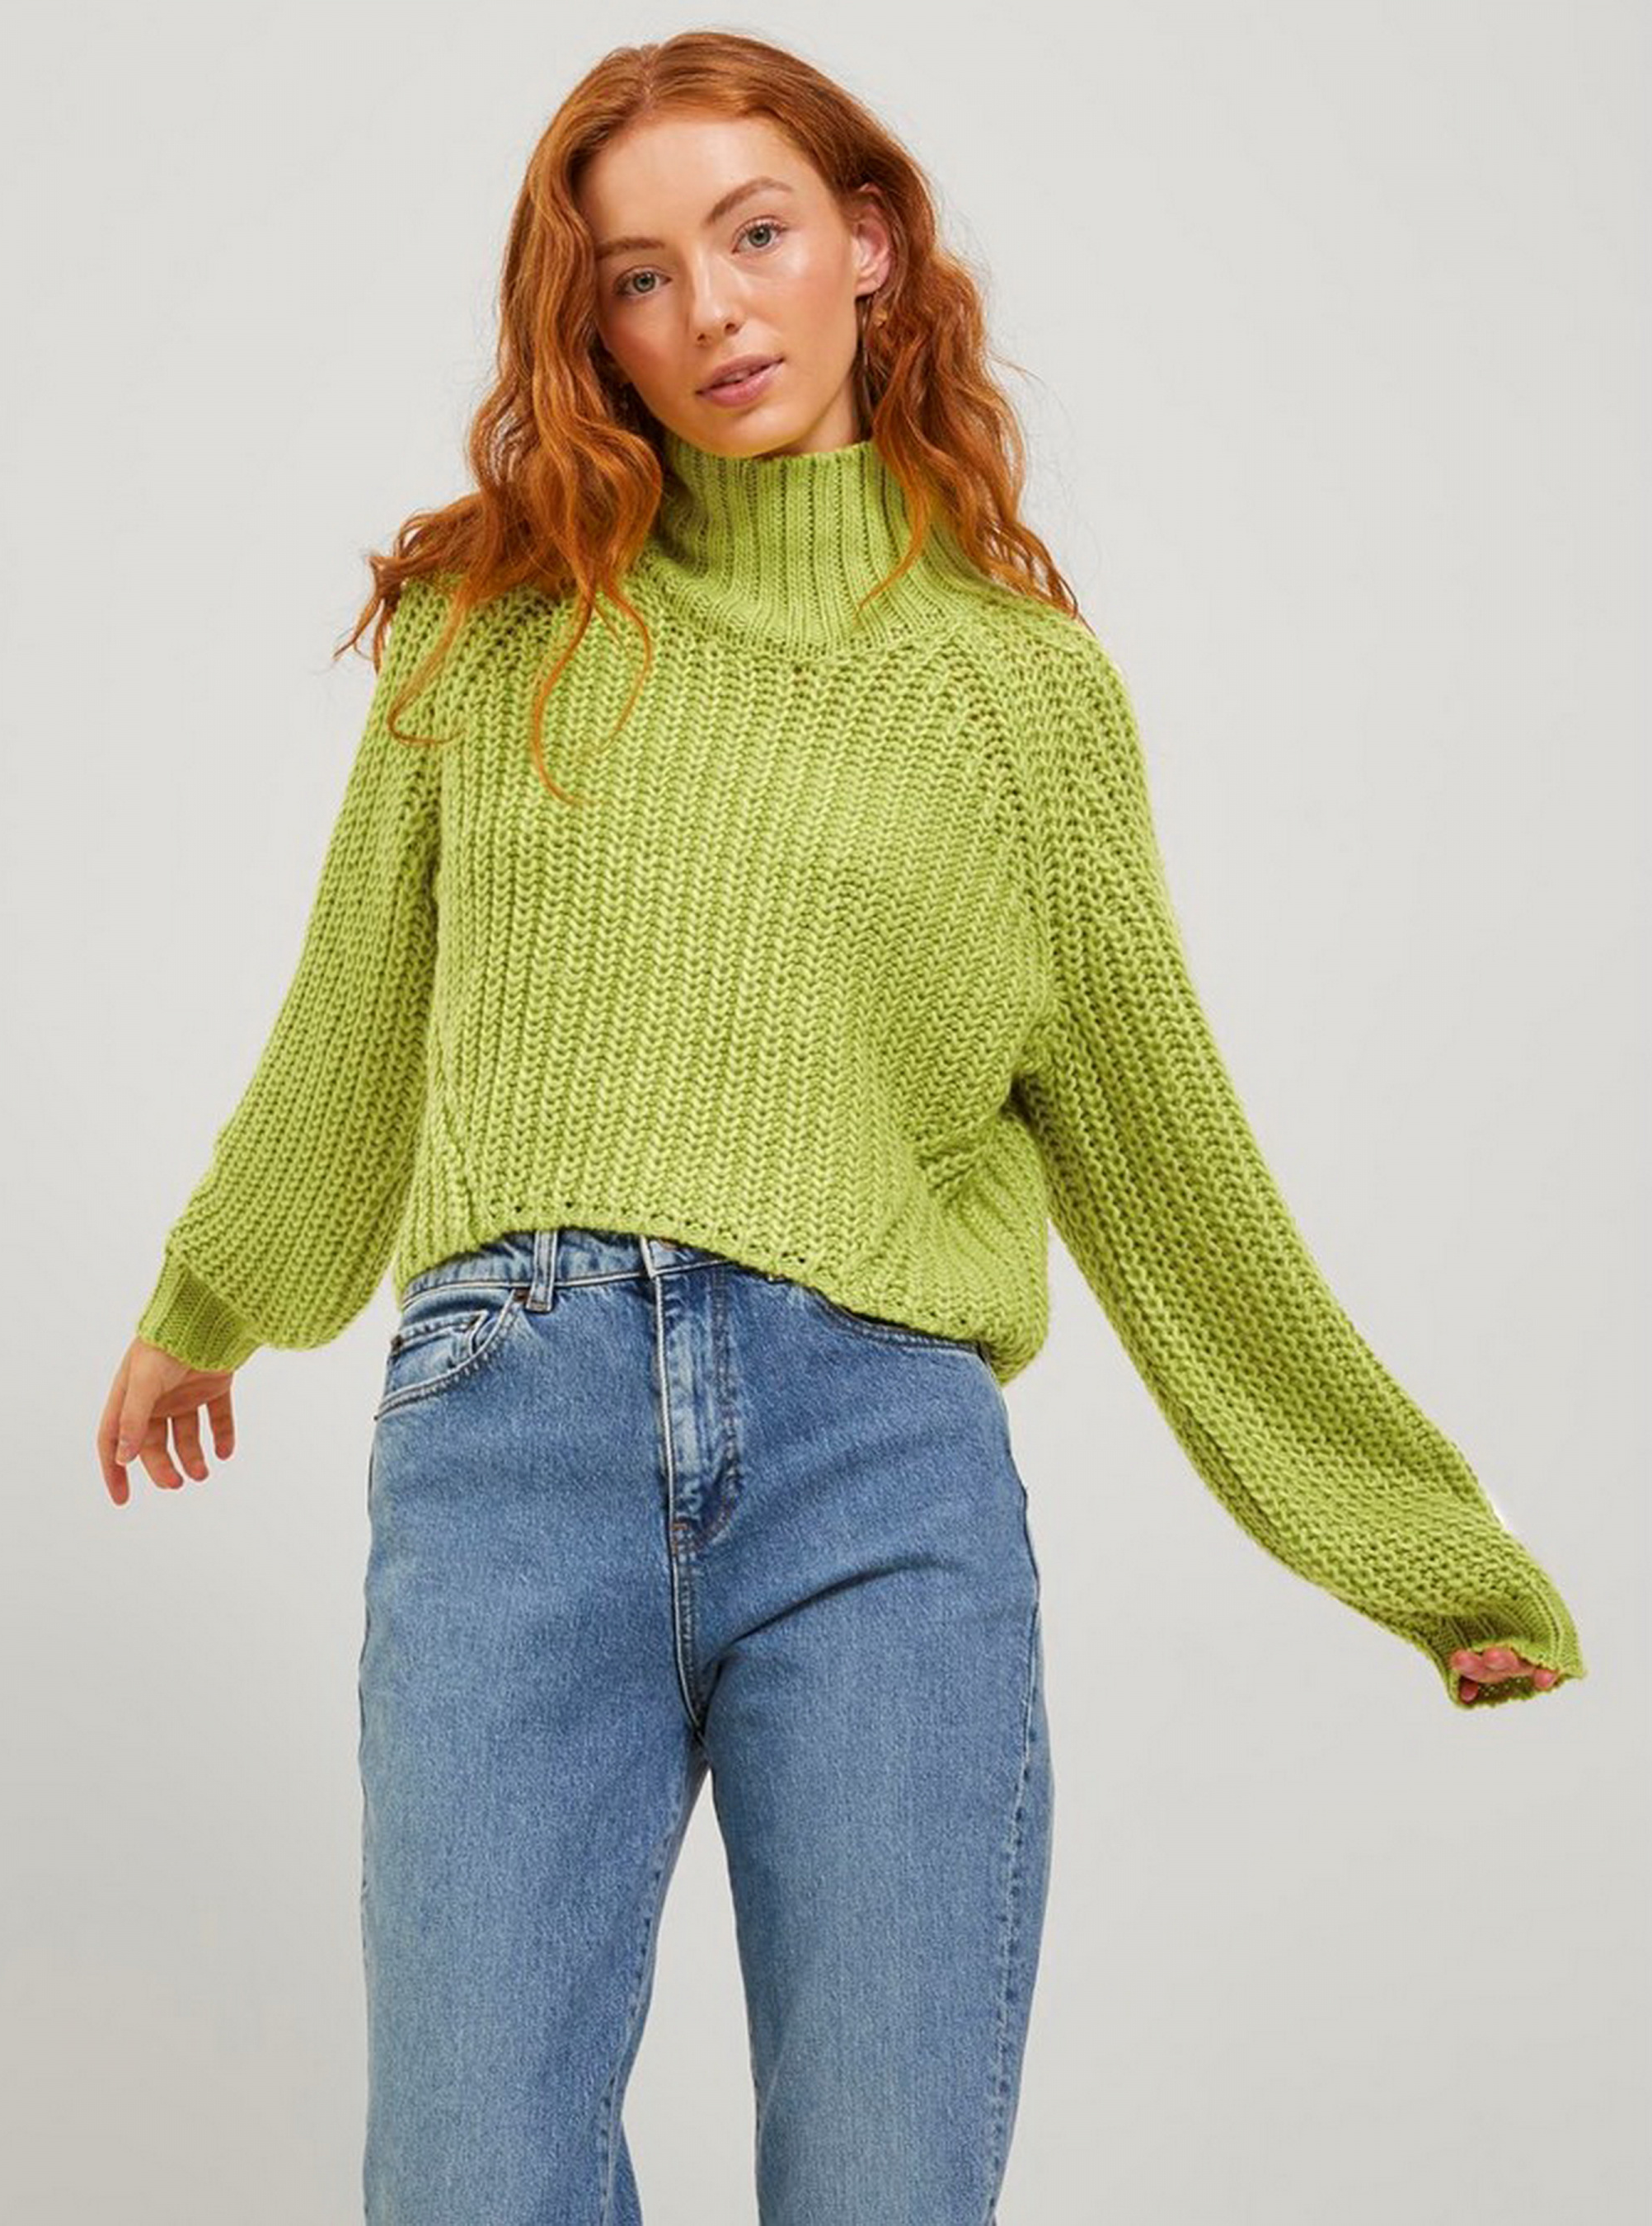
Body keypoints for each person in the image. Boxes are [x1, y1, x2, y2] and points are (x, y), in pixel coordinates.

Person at [95, 28, 1586, 2224]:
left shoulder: (1017, 697)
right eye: (638, 275)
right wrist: (212, 1293)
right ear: (589, 325)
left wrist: (1419, 1550)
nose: (709, 308)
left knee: (888, 2183)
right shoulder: (492, 635)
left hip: (876, 1461)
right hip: (513, 1438)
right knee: (467, 2179)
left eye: (756, 233)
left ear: (868, 243)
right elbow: (355, 1021)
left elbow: (1171, 1170)